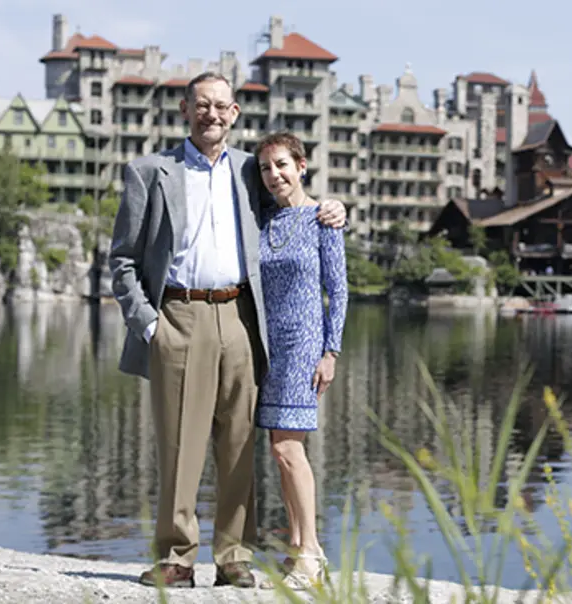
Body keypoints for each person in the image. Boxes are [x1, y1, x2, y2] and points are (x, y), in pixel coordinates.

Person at [109, 71, 346, 589]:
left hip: (241, 316)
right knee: (179, 443)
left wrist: (333, 207)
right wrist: (149, 325)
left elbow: (292, 200)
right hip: (178, 315)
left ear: (234, 113)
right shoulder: (149, 171)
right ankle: (176, 557)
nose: (211, 114)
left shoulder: (248, 170)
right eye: (201, 105)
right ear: (184, 109)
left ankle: (234, 555)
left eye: (221, 106)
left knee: (239, 443)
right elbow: (122, 260)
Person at [253, 131, 347, 590]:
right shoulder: (263, 221)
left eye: (282, 165)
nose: (274, 175)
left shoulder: (323, 220)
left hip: (304, 343)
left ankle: (311, 552)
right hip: (266, 346)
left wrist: (331, 351)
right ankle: (296, 546)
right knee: (279, 448)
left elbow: (339, 290)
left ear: (301, 166)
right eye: (266, 168)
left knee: (290, 448)